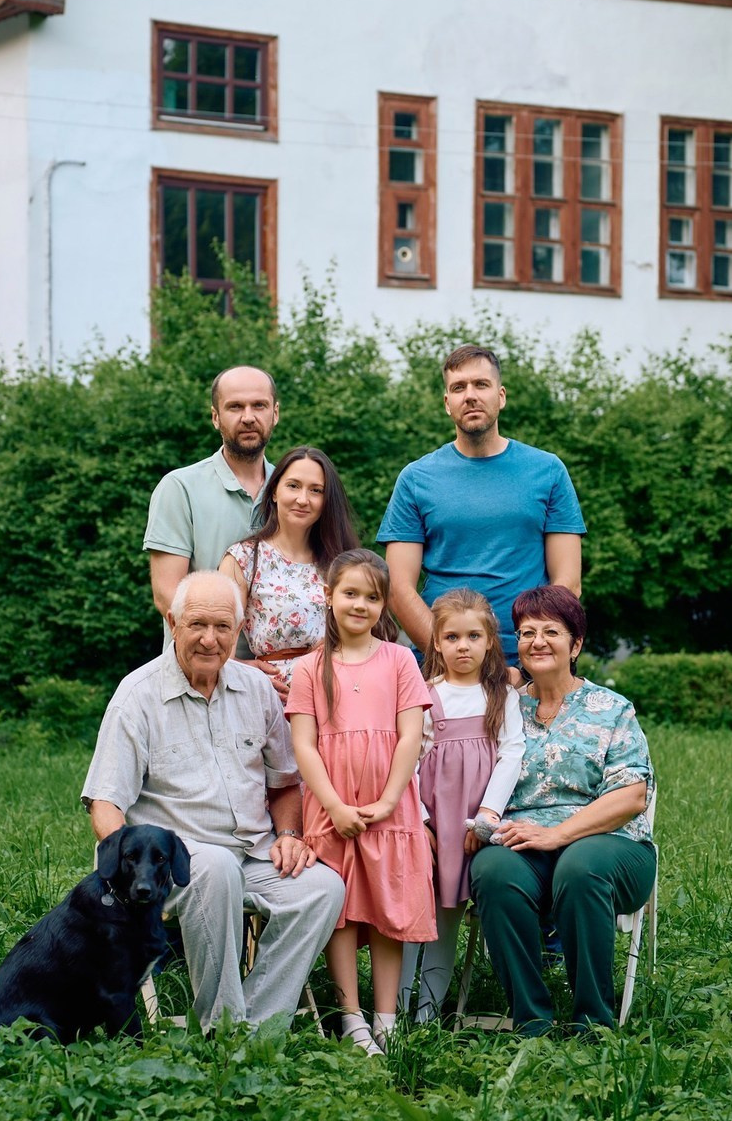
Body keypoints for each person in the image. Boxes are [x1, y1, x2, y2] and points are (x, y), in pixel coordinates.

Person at [81, 571, 345, 1032]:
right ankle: (222, 1030)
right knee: (218, 868)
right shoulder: (138, 696)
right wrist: (130, 869)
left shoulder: (256, 688)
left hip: (253, 853)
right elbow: (105, 803)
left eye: (223, 627)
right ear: (172, 623)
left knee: (323, 889)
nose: (210, 639)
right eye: (197, 624)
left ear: (239, 630)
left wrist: (288, 833)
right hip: (176, 862)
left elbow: (285, 782)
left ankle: (256, 1027)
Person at [469, 585, 655, 1036]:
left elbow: (632, 796)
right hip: (523, 843)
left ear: (575, 645)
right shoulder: (502, 707)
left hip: (610, 845)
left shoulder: (611, 709)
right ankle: (531, 1019)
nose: (537, 641)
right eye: (527, 632)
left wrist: (558, 834)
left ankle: (593, 1021)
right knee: (493, 870)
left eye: (551, 631)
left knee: (580, 865)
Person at [286, 549, 435, 1055]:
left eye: (372, 597)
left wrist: (390, 799)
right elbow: (304, 745)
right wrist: (333, 806)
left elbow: (410, 735)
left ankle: (386, 1018)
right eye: (350, 593)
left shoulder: (399, 660)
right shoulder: (310, 667)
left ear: (383, 605)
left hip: (389, 810)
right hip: (332, 810)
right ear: (328, 596)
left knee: (389, 908)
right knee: (343, 912)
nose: (360, 605)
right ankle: (352, 1019)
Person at [377, 344, 586, 665]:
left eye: (481, 384)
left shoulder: (548, 471)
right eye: (458, 387)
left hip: (529, 666)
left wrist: (530, 663)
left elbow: (568, 584)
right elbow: (398, 589)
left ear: (500, 396)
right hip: (442, 667)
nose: (470, 396)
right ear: (447, 403)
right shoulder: (416, 478)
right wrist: (451, 661)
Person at [399, 588, 524, 1023]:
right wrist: (421, 821)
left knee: (448, 913)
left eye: (473, 636)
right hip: (431, 821)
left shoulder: (501, 695)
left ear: (490, 641)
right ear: (436, 642)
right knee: (415, 910)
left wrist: (487, 816)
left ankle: (427, 1013)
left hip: (472, 822)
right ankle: (395, 1007)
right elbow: (407, 762)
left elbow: (512, 752)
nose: (463, 646)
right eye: (452, 637)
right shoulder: (423, 693)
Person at [143, 366, 279, 653]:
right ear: (215, 417)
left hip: (277, 671)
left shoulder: (292, 492)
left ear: (275, 413)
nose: (248, 417)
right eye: (235, 407)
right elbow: (167, 595)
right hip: (202, 666)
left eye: (259, 405)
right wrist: (228, 661)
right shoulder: (180, 487)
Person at [219, 446, 359, 698]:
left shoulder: (341, 562)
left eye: (316, 490)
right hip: (275, 697)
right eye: (293, 486)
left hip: (338, 691)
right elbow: (218, 643)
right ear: (274, 491)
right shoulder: (244, 558)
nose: (303, 499)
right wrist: (246, 673)